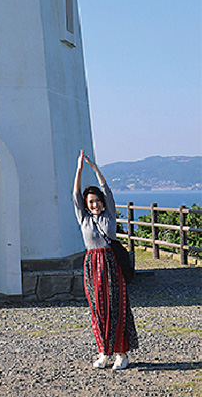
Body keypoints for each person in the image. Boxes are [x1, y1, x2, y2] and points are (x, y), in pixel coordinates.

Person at [73, 149, 138, 370]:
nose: (94, 204)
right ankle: (103, 352)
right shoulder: (83, 218)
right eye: (90, 201)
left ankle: (122, 353)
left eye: (97, 200)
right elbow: (75, 194)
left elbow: (107, 189)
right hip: (92, 265)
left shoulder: (109, 214)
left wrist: (94, 168)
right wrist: (79, 170)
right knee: (97, 309)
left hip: (112, 264)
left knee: (117, 307)